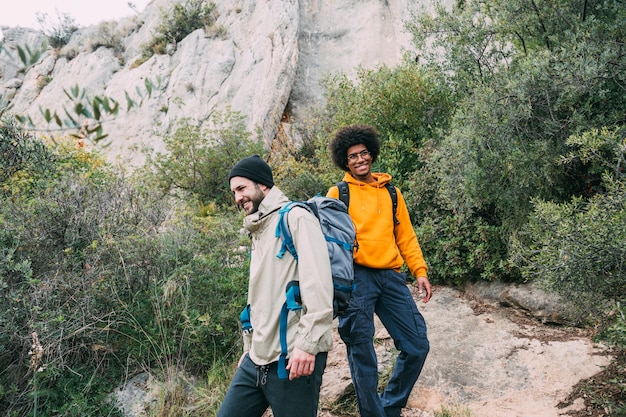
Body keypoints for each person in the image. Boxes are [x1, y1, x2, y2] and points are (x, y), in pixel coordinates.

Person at [326, 125, 432, 417]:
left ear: (371, 154)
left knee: (416, 345)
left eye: (363, 153)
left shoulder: (392, 193)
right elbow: (330, 241)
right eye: (352, 157)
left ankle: (390, 406)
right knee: (362, 353)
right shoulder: (338, 193)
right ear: (344, 162)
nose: (359, 160)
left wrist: (419, 270)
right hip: (356, 279)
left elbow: (406, 236)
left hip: (390, 276)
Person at [217, 154, 334, 417]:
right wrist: (249, 349)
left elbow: (319, 284)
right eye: (234, 192)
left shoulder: (295, 218)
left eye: (242, 188)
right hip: (257, 358)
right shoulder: (258, 227)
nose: (237, 198)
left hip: (293, 356)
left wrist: (307, 345)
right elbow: (260, 297)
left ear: (263, 185)